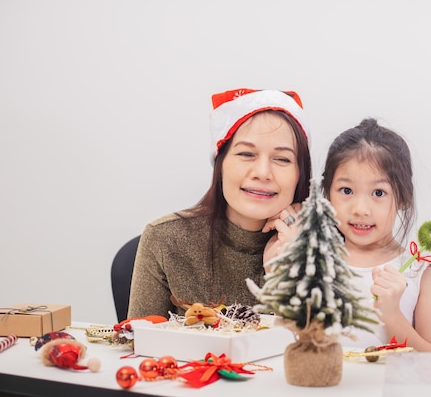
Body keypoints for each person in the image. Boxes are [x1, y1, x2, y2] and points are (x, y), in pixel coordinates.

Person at [127, 88, 312, 319]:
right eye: (246, 154)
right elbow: (136, 346)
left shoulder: (328, 247)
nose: (263, 173)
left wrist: (289, 274)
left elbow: (326, 351)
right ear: (220, 164)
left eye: (282, 159)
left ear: (300, 174)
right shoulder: (165, 239)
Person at [321, 118, 431, 352]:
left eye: (379, 192)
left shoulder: (421, 268)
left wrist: (392, 315)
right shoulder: (312, 261)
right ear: (327, 193)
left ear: (402, 198)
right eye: (346, 190)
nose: (361, 209)